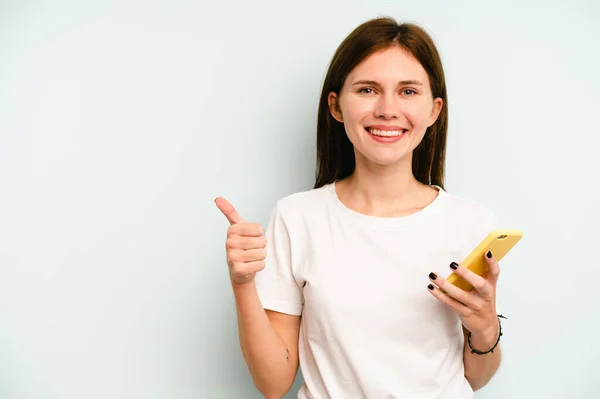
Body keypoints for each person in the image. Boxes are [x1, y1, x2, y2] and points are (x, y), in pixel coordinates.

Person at [215, 16, 505, 399]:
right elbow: (273, 383)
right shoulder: (297, 218)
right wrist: (243, 284)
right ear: (336, 106)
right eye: (368, 89)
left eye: (408, 91)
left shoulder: (472, 223)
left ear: (434, 111)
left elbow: (477, 377)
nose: (387, 110)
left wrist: (485, 327)